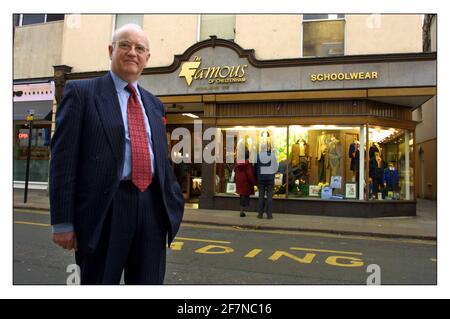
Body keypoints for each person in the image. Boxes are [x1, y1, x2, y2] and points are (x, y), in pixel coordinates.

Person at [50, 24, 184, 284]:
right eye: (125, 45)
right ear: (111, 50)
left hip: (151, 209)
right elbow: (63, 162)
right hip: (105, 208)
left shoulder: (155, 104)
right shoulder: (82, 94)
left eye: (140, 48)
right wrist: (63, 222)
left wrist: (173, 201)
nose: (132, 52)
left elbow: (163, 161)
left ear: (147, 58)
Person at [255, 143, 278, 219]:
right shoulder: (272, 156)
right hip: (270, 179)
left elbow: (255, 168)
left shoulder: (258, 156)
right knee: (269, 197)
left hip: (261, 179)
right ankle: (269, 215)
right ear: (267, 148)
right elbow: (275, 167)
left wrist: (256, 178)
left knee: (261, 196)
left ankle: (260, 214)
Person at [234, 149, 257, 217]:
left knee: (242, 196)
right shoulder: (248, 164)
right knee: (244, 197)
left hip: (239, 182)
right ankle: (242, 211)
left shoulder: (238, 162)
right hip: (246, 183)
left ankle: (242, 211)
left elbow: (235, 171)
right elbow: (250, 174)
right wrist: (254, 182)